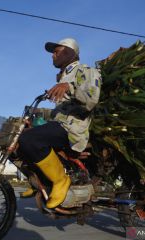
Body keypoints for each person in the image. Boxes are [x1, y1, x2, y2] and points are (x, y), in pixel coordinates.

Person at [18, 38, 101, 209]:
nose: (53, 56)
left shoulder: (85, 70)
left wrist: (69, 87)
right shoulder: (64, 76)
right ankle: (38, 183)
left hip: (73, 129)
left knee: (30, 140)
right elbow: (61, 111)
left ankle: (61, 181)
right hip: (61, 125)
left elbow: (92, 99)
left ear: (70, 53)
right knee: (21, 140)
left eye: (57, 51)